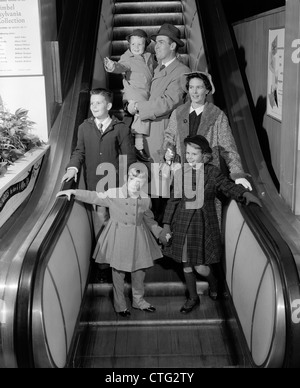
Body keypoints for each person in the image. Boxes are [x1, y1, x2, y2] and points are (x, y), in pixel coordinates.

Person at [160, 135, 262, 314]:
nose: (189, 157)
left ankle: (214, 281)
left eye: (194, 153)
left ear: (205, 155)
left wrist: (244, 194)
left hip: (202, 224)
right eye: (187, 153)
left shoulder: (212, 172)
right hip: (183, 223)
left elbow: (226, 186)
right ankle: (193, 298)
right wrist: (167, 224)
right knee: (186, 264)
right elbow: (173, 201)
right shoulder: (180, 173)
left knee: (200, 266)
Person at [57, 168, 169, 317]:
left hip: (138, 238)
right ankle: (120, 305)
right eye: (133, 180)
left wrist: (161, 233)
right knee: (118, 273)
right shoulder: (114, 193)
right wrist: (74, 192)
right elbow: (95, 196)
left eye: (140, 181)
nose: (136, 184)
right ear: (128, 178)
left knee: (140, 271)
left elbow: (149, 220)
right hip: (119, 236)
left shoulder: (145, 199)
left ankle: (139, 301)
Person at [62, 88, 136, 238]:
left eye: (98, 103)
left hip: (117, 185)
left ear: (108, 106)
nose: (94, 107)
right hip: (96, 184)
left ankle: (117, 253)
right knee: (100, 218)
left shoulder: (121, 128)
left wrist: (130, 180)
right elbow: (79, 151)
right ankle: (103, 256)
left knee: (119, 221)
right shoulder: (84, 128)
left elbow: (129, 157)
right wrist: (72, 169)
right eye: (92, 103)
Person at [162, 71, 252, 190]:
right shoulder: (178, 113)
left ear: (207, 90)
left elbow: (228, 148)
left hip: (206, 177)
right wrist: (169, 150)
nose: (194, 92)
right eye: (191, 87)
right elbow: (169, 137)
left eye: (199, 87)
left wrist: (237, 174)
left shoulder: (217, 115)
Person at [127, 24, 191, 164]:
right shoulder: (156, 68)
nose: (156, 46)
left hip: (163, 132)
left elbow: (168, 102)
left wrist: (138, 106)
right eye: (156, 42)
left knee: (162, 178)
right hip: (147, 132)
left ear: (173, 46)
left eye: (161, 42)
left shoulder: (182, 71)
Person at [104, 29, 157, 162]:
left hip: (147, 93)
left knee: (131, 120)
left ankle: (122, 141)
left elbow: (156, 69)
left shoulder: (150, 57)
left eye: (140, 44)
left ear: (145, 45)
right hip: (133, 95)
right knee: (141, 113)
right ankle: (138, 147)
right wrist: (112, 66)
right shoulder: (127, 58)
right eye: (133, 44)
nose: (136, 47)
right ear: (129, 45)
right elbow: (120, 66)